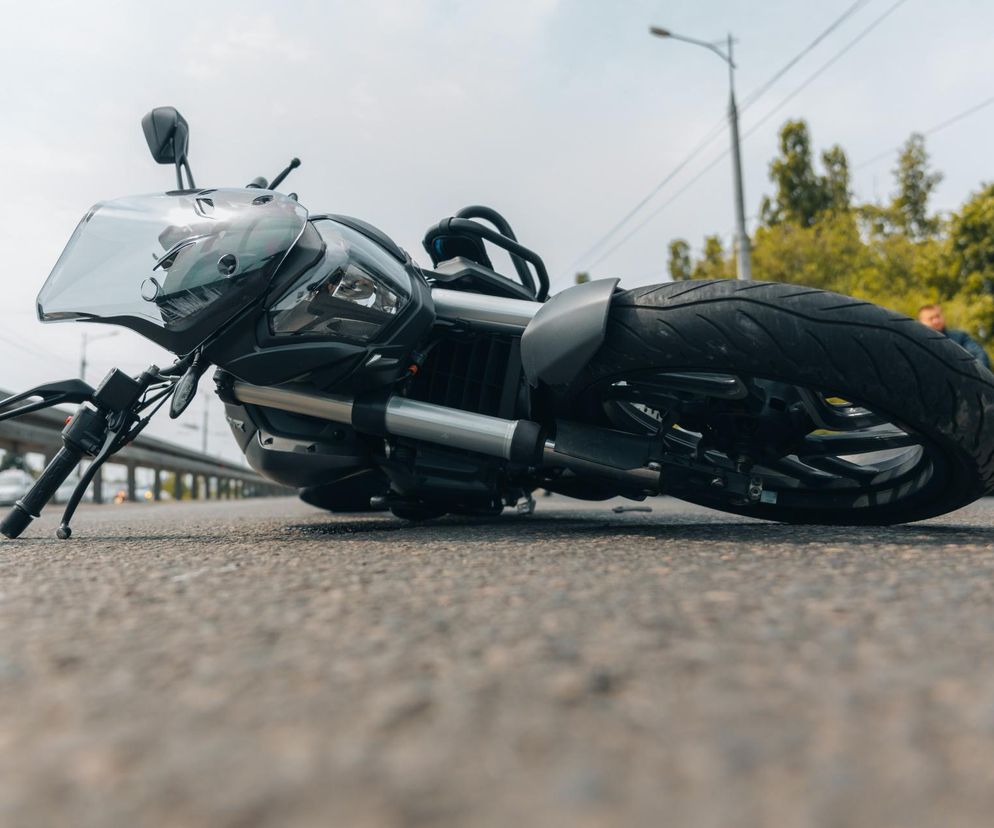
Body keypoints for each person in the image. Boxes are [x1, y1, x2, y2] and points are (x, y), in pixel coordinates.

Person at [917, 303, 991, 369]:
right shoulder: (917, 344)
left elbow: (980, 355)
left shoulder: (960, 337)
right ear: (921, 322)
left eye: (938, 316)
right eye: (931, 318)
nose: (936, 321)